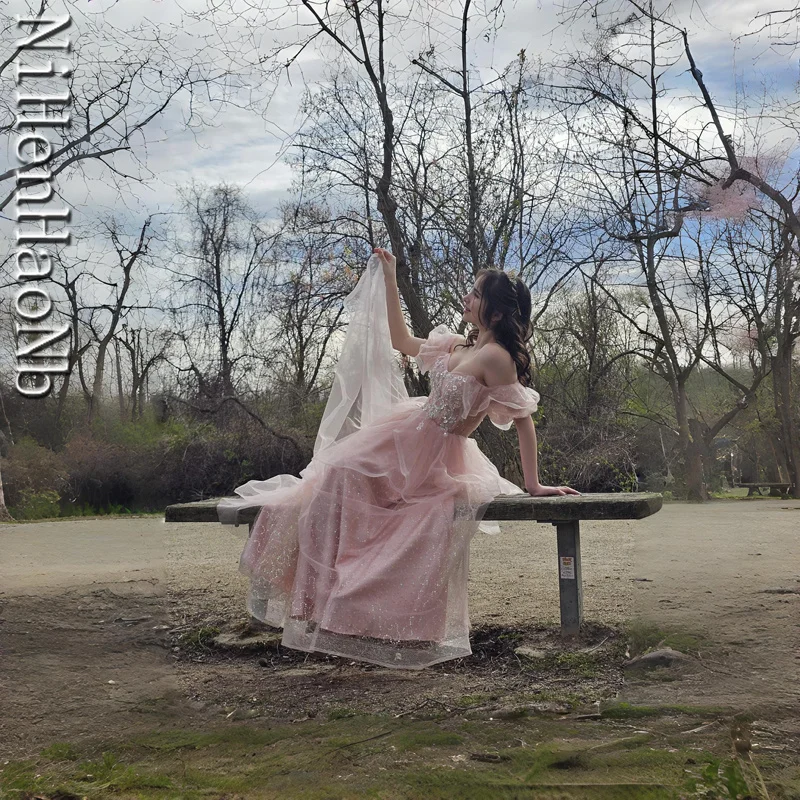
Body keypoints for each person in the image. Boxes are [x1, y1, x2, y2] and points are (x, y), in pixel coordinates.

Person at [217, 248, 578, 669]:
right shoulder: (457, 344)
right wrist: (389, 277)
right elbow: (400, 342)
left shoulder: (495, 358)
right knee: (333, 477)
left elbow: (523, 420)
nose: (467, 298)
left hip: (436, 456)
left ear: (496, 313)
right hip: (403, 437)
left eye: (476, 294)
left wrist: (533, 483)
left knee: (354, 488)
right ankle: (315, 603)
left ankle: (349, 607)